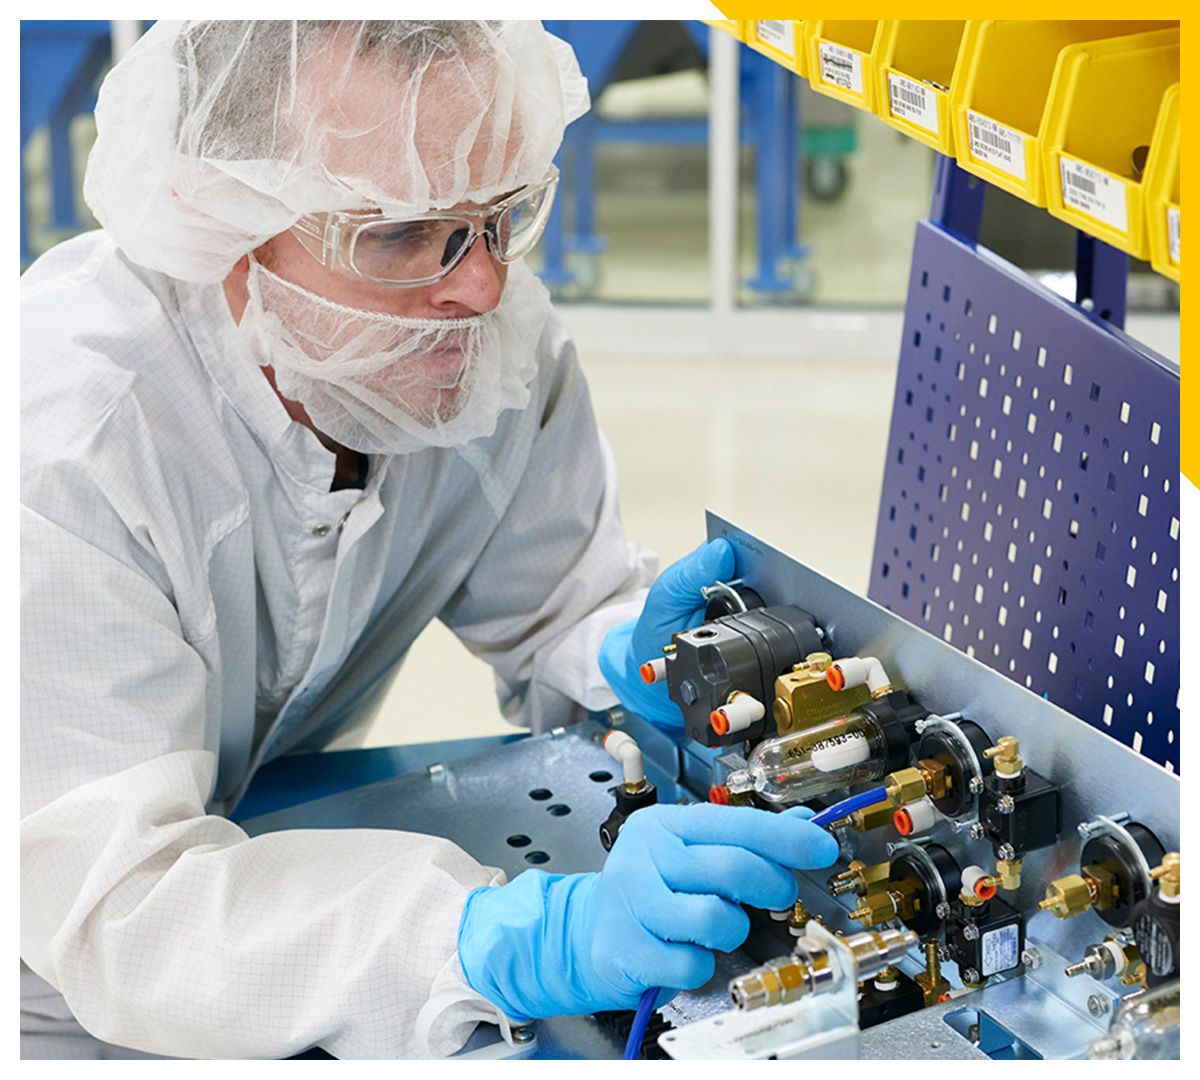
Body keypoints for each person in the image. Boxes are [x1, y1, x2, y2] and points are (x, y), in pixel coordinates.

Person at [21, 20, 837, 1059]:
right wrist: (504, 941)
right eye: (400, 233)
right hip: (42, 989)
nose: (481, 285)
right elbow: (122, 907)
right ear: (224, 222)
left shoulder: (483, 356)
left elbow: (559, 604)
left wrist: (642, 655)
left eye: (499, 216)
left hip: (257, 876)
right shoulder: (65, 453)